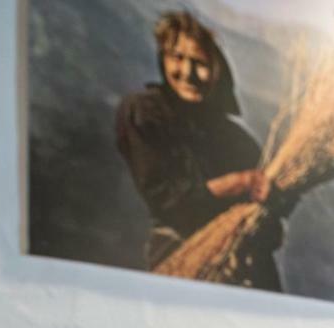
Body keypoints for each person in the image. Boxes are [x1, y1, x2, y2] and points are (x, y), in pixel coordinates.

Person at [115, 11, 281, 289]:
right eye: (177, 58)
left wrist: (267, 213)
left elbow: (274, 230)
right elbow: (171, 201)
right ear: (162, 60)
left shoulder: (239, 140)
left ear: (218, 70)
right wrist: (239, 183)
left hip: (248, 270)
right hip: (184, 259)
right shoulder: (145, 112)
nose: (188, 73)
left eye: (200, 63)